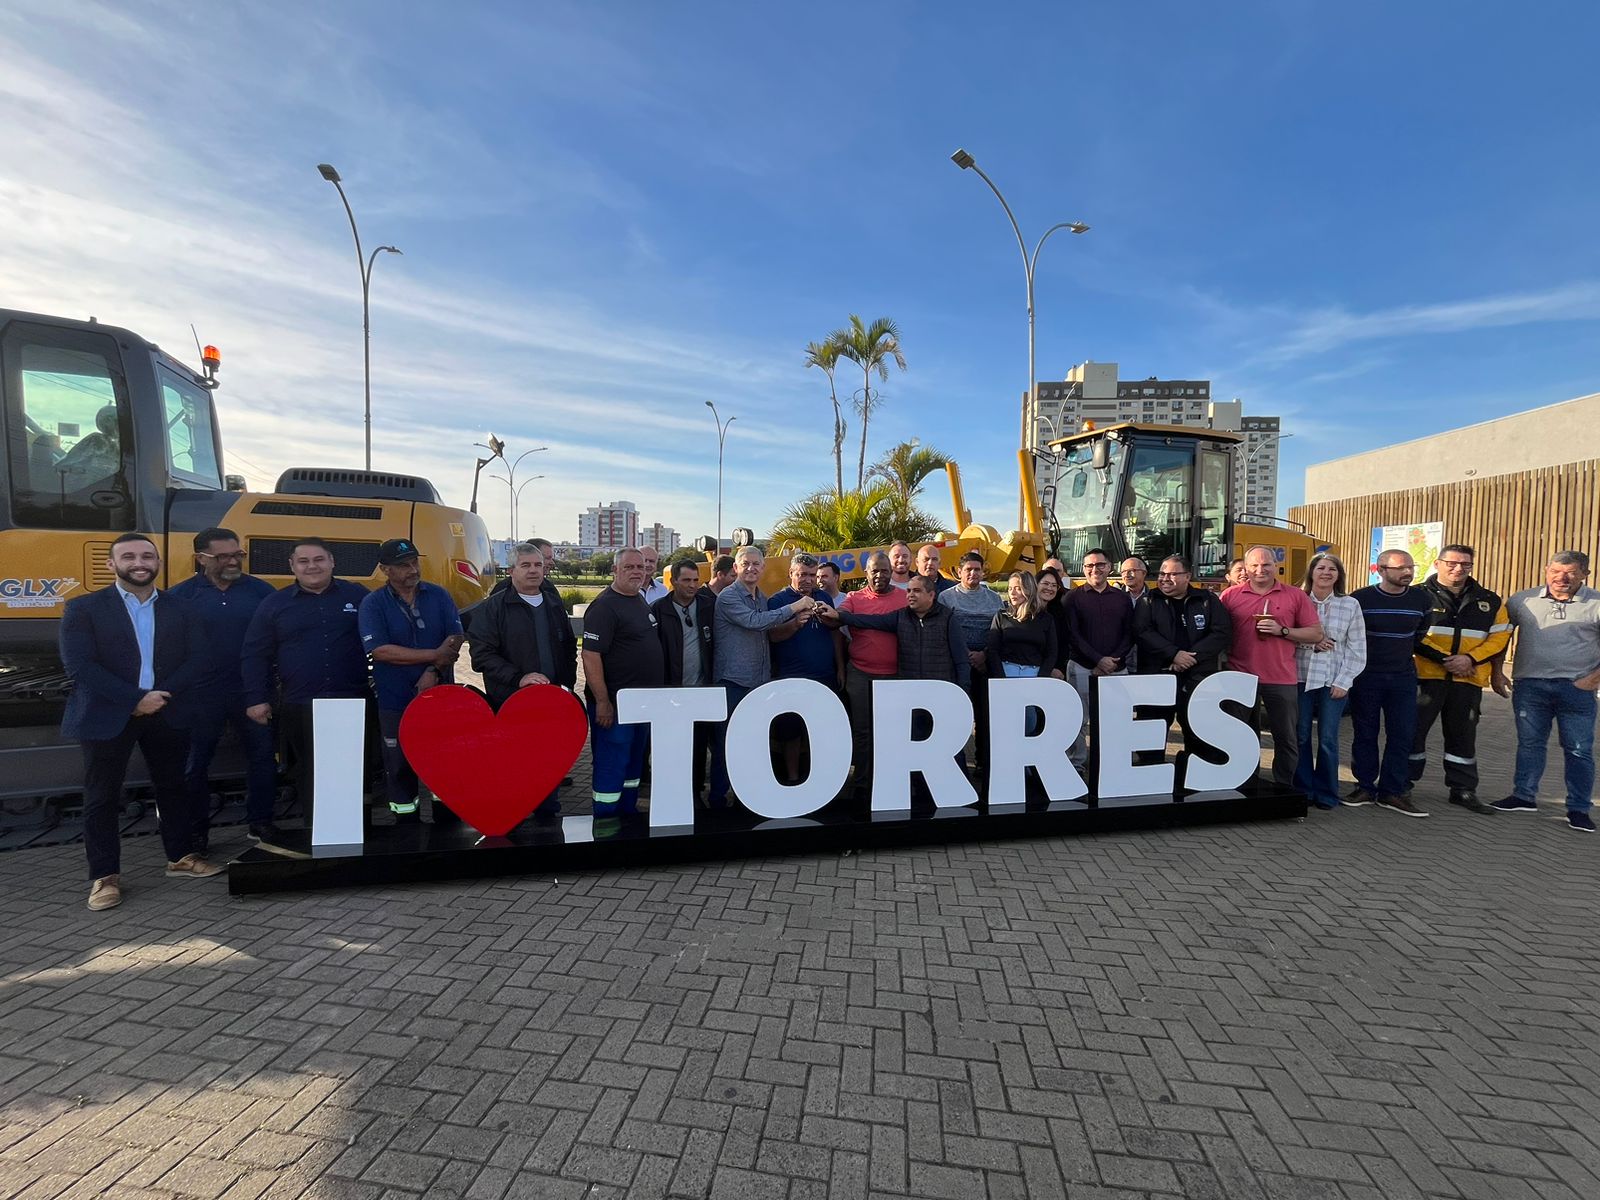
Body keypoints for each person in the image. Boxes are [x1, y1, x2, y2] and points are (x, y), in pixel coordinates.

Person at [62, 534, 222, 909]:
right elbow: (80, 666)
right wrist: (135, 700)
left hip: (167, 709)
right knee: (102, 795)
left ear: (158, 563)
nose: (140, 562)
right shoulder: (83, 608)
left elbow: (199, 659)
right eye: (129, 555)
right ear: (111, 564)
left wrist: (159, 697)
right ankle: (104, 877)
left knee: (173, 787)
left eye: (147, 555)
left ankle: (180, 858)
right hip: (107, 712)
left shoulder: (182, 609)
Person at [241, 537, 372, 829]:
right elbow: (254, 653)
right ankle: (317, 830)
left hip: (353, 701)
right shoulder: (274, 604)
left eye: (319, 559)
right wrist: (255, 698)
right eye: (303, 561)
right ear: (292, 566)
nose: (312, 566)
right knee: (309, 771)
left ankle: (357, 832)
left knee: (356, 771)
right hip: (301, 704)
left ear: (332, 561)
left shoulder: (359, 596)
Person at [168, 527, 279, 849]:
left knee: (262, 760)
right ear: (200, 558)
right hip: (199, 697)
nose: (233, 561)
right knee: (194, 765)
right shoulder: (179, 598)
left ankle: (260, 823)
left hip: (252, 693)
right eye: (224, 556)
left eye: (238, 554)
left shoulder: (261, 593)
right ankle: (196, 831)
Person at [1491, 550, 1600, 831]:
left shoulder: (1596, 604)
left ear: (1584, 574)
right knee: (1529, 744)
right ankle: (1523, 796)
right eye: (1555, 571)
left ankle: (1578, 808)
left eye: (1570, 572)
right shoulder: (1522, 601)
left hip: (1576, 689)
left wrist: (1591, 681)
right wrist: (1496, 671)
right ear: (1546, 570)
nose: (1561, 578)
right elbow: (1499, 637)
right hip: (1530, 685)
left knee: (1578, 750)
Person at [358, 539, 464, 822]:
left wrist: (433, 671)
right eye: (403, 565)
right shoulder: (373, 604)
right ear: (385, 569)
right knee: (399, 764)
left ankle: (448, 824)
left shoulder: (439, 596)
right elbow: (379, 650)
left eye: (414, 562)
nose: (412, 569)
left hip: (440, 697)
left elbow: (455, 638)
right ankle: (406, 823)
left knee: (444, 761)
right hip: (395, 700)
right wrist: (433, 654)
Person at [705, 546, 817, 807]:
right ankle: (718, 799)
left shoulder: (761, 597)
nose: (751, 568)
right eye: (746, 564)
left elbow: (770, 627)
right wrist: (795, 606)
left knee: (752, 743)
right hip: (733, 681)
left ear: (763, 568)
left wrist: (797, 620)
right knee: (726, 744)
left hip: (758, 682)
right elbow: (756, 622)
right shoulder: (729, 597)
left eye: (757, 564)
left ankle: (747, 797)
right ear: (736, 568)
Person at [1408, 544, 1510, 815]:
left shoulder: (1489, 599)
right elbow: (1413, 634)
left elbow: (1500, 638)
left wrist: (1470, 660)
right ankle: (1402, 785)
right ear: (1437, 564)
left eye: (1465, 564)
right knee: (1412, 732)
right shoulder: (1417, 595)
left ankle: (1463, 790)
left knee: (1463, 735)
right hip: (1425, 676)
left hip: (1468, 677)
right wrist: (1446, 660)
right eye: (1452, 563)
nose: (1458, 569)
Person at [1219, 546, 1324, 788]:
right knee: (1243, 736)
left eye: (1266, 564)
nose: (1260, 570)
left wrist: (1283, 631)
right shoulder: (1230, 596)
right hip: (1240, 676)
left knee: (1286, 738)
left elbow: (1316, 633)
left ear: (1275, 566)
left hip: (1281, 678)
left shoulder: (1295, 596)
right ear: (1246, 568)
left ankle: (1283, 786)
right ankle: (1245, 783)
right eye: (1254, 565)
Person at [1345, 549, 1432, 816]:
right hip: (1367, 676)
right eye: (1400, 568)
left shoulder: (1421, 599)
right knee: (1365, 733)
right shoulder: (1361, 599)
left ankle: (1392, 791)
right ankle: (1365, 787)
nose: (1407, 573)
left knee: (1402, 734)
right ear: (1380, 570)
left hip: (1403, 677)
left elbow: (1419, 634)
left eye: (1410, 567)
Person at [581, 548, 663, 818]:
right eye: (629, 567)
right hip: (614, 707)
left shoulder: (638, 601)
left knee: (632, 764)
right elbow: (591, 656)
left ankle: (627, 813)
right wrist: (603, 701)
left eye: (640, 567)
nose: (637, 572)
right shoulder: (604, 606)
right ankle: (605, 818)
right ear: (615, 570)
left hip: (641, 705)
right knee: (611, 763)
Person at [1133, 554, 1234, 764]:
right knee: (1152, 734)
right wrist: (1173, 654)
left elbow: (1221, 632)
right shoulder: (1148, 600)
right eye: (1162, 573)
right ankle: (1151, 777)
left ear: (1187, 576)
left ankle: (1192, 779)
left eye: (1172, 574)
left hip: (1196, 679)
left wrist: (1190, 658)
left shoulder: (1207, 600)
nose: (1164, 578)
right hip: (1157, 679)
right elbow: (1142, 633)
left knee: (1198, 734)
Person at [1293, 553, 1366, 810]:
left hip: (1333, 681)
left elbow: (1358, 649)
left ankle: (1326, 793)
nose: (1326, 572)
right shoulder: (1297, 599)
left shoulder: (1350, 605)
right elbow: (1284, 636)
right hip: (1300, 678)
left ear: (1339, 575)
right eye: (1321, 567)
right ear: (1311, 572)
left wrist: (1344, 681)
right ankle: (1302, 789)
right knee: (1300, 736)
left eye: (1332, 569)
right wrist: (1310, 640)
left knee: (1327, 738)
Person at [768, 554, 844, 784]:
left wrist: (841, 667)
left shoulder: (823, 597)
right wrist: (795, 623)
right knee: (791, 733)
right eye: (801, 574)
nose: (807, 580)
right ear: (791, 574)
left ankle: (820, 779)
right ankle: (792, 778)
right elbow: (771, 636)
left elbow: (835, 633)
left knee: (820, 731)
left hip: (824, 676)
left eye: (812, 575)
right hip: (791, 678)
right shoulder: (778, 600)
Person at [838, 552, 908, 797]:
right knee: (863, 731)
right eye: (874, 570)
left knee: (894, 731)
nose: (880, 575)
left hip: (895, 676)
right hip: (860, 675)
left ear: (892, 572)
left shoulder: (904, 597)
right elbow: (840, 616)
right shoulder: (853, 598)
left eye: (884, 570)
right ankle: (862, 783)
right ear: (866, 572)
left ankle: (892, 780)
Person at [1062, 548, 1134, 770]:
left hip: (1116, 670)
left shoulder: (1123, 598)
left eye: (1100, 565)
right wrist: (1098, 660)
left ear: (1109, 567)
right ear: (1083, 569)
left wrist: (1112, 660)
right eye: (1089, 566)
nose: (1095, 569)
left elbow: (1130, 633)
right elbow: (1073, 635)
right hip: (1083, 668)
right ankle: (1077, 764)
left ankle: (1111, 763)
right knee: (1078, 721)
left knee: (1115, 720)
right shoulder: (1072, 598)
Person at [652, 559, 717, 800]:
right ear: (673, 581)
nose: (692, 586)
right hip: (671, 691)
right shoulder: (658, 610)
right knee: (671, 746)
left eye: (695, 580)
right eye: (686, 580)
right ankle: (670, 794)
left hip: (701, 690)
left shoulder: (710, 606)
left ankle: (696, 792)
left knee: (699, 746)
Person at [940, 551, 1005, 783]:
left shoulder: (995, 599)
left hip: (986, 664)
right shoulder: (946, 598)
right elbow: (943, 632)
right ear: (959, 572)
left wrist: (983, 655)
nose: (973, 573)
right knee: (956, 717)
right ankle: (952, 765)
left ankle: (983, 762)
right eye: (968, 569)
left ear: (983, 571)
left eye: (977, 569)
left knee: (986, 717)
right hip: (957, 665)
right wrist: (965, 655)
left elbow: (1000, 631)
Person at [1118, 557, 1149, 670]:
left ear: (1144, 573)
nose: (1127, 575)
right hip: (1121, 661)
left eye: (1132, 570)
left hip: (1147, 660)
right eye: (1123, 572)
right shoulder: (1115, 597)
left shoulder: (1155, 598)